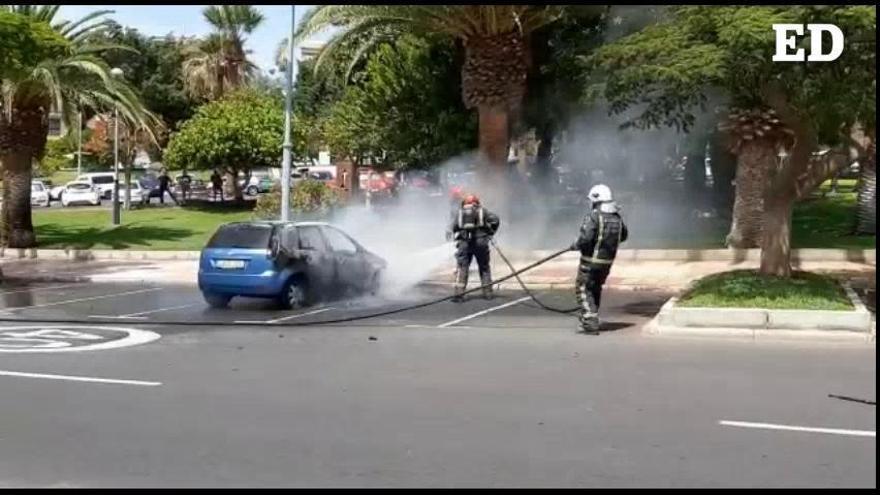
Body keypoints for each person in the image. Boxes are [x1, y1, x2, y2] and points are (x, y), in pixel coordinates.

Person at [570, 184, 628, 334]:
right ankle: (591, 316)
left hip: (590, 261)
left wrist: (576, 244)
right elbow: (623, 236)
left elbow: (586, 237)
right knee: (595, 288)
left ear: (596, 200)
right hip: (607, 263)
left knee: (583, 288)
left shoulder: (594, 216)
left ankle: (590, 321)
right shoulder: (617, 218)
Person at [449, 194, 500, 302]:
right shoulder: (483, 211)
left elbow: (453, 228)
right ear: (477, 202)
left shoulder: (460, 213)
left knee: (463, 267)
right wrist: (490, 232)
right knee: (484, 267)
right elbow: (495, 220)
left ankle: (459, 294)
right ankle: (488, 293)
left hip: (464, 243)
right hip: (481, 242)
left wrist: (455, 236)